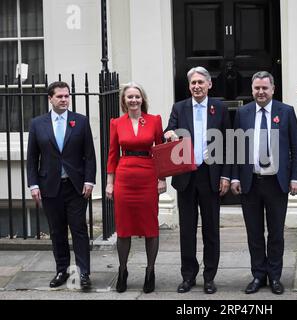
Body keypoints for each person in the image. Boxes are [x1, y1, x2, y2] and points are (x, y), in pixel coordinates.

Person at [230, 71, 297, 295]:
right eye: (257, 88)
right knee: (254, 233)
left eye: (265, 88)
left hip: (277, 183)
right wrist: (234, 176)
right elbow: (236, 147)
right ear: (252, 90)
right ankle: (258, 275)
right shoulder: (243, 112)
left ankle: (275, 276)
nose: (261, 92)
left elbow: (296, 148)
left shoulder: (286, 112)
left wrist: (295, 177)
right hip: (250, 182)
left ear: (273, 89)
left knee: (276, 233)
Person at [164, 66, 231, 294]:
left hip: (210, 175)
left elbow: (229, 143)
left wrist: (225, 174)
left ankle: (209, 276)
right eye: (193, 83)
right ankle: (188, 276)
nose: (197, 86)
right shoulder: (179, 107)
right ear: (189, 86)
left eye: (201, 82)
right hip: (186, 176)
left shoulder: (219, 108)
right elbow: (168, 130)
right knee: (187, 229)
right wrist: (169, 133)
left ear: (209, 84)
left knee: (211, 229)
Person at [27, 81, 96, 290]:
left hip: (76, 186)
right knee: (57, 231)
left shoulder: (81, 122)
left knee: (79, 230)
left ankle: (83, 273)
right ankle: (62, 270)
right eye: (60, 96)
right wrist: (33, 185)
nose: (64, 99)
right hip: (49, 186)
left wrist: (89, 180)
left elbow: (90, 156)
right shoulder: (37, 124)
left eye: (67, 96)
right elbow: (32, 158)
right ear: (50, 98)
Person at [106, 82, 166, 293]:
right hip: (124, 177)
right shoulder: (116, 123)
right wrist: (109, 183)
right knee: (123, 228)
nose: (133, 100)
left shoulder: (153, 120)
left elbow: (160, 150)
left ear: (143, 99)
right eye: (129, 97)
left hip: (148, 176)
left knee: (150, 226)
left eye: (137, 97)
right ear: (124, 100)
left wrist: (162, 178)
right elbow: (113, 153)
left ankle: (150, 271)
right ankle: (122, 270)